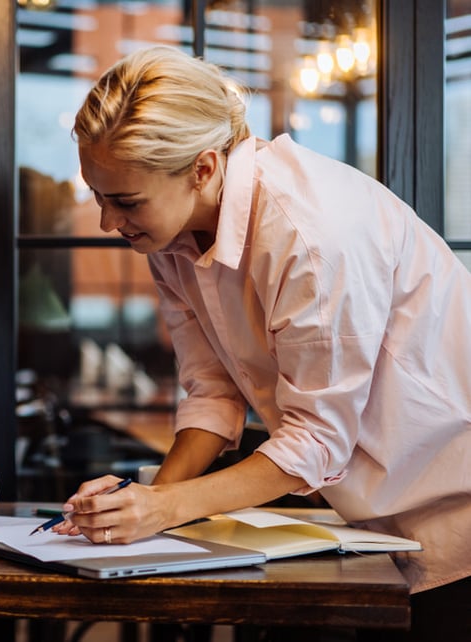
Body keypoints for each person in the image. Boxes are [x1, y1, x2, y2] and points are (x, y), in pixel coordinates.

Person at [53, 46, 470, 640]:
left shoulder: (309, 234)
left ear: (202, 169)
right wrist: (144, 508)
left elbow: (317, 440)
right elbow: (213, 392)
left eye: (125, 200)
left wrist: (163, 509)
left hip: (458, 506)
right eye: (99, 195)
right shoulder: (171, 236)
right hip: (368, 518)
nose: (106, 222)